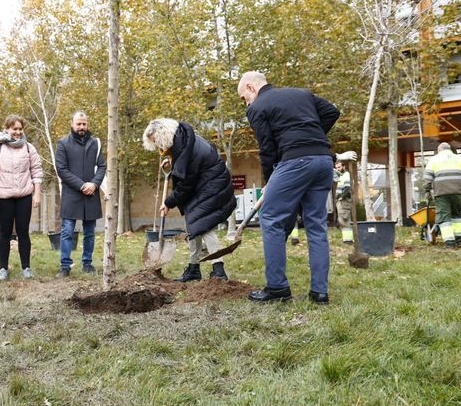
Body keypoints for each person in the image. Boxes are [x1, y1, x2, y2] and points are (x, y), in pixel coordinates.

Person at [237, 71, 340, 305]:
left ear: (252, 88)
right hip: (324, 161)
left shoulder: (257, 108)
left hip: (295, 162)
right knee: (316, 225)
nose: (246, 103)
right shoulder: (301, 93)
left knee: (270, 218)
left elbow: (267, 149)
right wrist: (310, 136)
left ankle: (277, 288)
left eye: (244, 97)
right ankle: (319, 293)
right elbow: (332, 112)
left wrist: (269, 181)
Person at [142, 118, 237, 282]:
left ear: (163, 135)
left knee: (204, 227)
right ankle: (194, 269)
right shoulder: (182, 140)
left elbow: (186, 184)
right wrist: (172, 161)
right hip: (203, 186)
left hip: (211, 187)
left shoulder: (186, 149)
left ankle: (219, 270)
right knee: (193, 226)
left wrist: (168, 203)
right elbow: (184, 167)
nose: (158, 146)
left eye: (157, 141)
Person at [0, 114, 43, 281]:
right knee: (5, 233)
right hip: (3, 196)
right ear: (6, 129)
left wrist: (37, 193)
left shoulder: (29, 148)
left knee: (23, 232)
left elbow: (36, 170)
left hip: (24, 195)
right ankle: (3, 268)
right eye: (14, 129)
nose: (17, 132)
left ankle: (26, 268)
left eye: (20, 129)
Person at [54, 111, 107, 278]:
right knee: (67, 231)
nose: (81, 127)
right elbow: (61, 170)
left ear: (87, 124)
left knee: (90, 232)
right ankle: (65, 266)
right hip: (71, 194)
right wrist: (82, 185)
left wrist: (94, 183)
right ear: (72, 124)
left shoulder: (95, 144)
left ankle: (87, 264)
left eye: (84, 124)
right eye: (78, 124)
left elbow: (102, 167)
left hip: (91, 194)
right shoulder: (63, 144)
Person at [423, 141, 461, 248]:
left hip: (441, 192)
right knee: (457, 215)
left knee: (444, 216)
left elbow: (427, 177)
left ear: (439, 150)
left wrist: (427, 191)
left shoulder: (434, 159)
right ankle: (460, 240)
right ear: (450, 149)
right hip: (457, 192)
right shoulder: (460, 159)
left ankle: (449, 242)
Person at [334, 160, 354, 244]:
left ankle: (348, 239)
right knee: (342, 219)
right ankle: (346, 238)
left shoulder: (346, 175)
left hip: (344, 200)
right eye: (336, 168)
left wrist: (341, 197)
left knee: (345, 219)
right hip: (341, 200)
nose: (337, 169)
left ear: (343, 166)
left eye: (339, 167)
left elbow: (347, 188)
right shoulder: (342, 176)